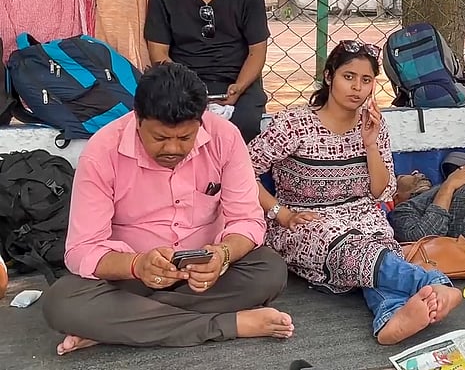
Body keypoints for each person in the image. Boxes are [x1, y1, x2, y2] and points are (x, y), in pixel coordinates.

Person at [41, 63, 292, 356]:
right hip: (131, 278)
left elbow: (246, 221)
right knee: (61, 302)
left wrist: (221, 255)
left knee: (269, 270)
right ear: (137, 120)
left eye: (185, 138)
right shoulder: (102, 151)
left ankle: (119, 327)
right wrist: (137, 265)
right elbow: (81, 250)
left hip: (205, 276)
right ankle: (227, 324)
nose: (172, 148)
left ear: (201, 121)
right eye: (160, 138)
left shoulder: (225, 137)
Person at [248, 40, 462, 345]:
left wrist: (370, 142)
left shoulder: (373, 124)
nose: (357, 88)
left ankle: (390, 316)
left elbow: (383, 191)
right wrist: (279, 213)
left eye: (366, 80)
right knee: (364, 252)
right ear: (328, 76)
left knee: (375, 252)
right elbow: (241, 170)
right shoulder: (294, 125)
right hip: (305, 223)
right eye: (349, 77)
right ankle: (432, 282)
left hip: (362, 218)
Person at [145, 0, 269, 143]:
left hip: (237, 84)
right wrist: (190, 89)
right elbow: (158, 55)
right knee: (172, 126)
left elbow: (257, 51)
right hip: (183, 83)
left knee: (246, 126)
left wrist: (238, 88)